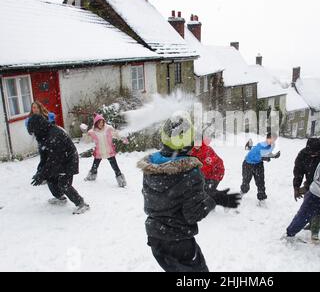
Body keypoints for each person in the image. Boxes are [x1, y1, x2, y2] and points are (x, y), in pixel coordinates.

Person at [138, 116, 241, 272]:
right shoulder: (191, 172)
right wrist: (215, 198)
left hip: (155, 239)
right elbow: (193, 214)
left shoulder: (151, 166)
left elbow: (162, 199)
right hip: (178, 241)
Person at [27, 114, 89, 215]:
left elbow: (54, 160)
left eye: (34, 131)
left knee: (63, 184)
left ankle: (81, 203)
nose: (34, 134)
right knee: (50, 178)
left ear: (38, 127)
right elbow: (44, 157)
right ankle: (60, 198)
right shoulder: (42, 135)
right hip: (57, 159)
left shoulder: (54, 135)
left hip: (69, 160)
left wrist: (42, 174)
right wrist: (40, 172)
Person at [293, 138, 320, 242]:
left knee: (317, 206)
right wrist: (296, 187)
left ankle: (315, 231)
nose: (313, 155)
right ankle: (311, 223)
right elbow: (298, 172)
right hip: (309, 183)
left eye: (315, 153)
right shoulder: (302, 154)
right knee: (307, 204)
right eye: (311, 153)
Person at [81, 114, 127, 188]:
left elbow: (116, 134)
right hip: (99, 152)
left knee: (115, 167)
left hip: (109, 151)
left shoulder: (108, 128)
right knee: (94, 166)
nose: (101, 124)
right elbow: (87, 141)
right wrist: (84, 132)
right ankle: (91, 176)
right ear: (96, 123)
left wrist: (123, 138)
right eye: (99, 123)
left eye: (102, 122)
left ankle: (121, 181)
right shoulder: (92, 131)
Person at [240, 133, 281, 203]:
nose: (272, 141)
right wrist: (268, 157)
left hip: (258, 165)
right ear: (267, 138)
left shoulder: (272, 145)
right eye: (271, 139)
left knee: (260, 182)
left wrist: (273, 155)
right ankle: (242, 192)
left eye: (274, 140)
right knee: (246, 181)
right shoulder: (261, 146)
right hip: (248, 164)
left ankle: (261, 199)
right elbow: (260, 155)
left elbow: (267, 153)